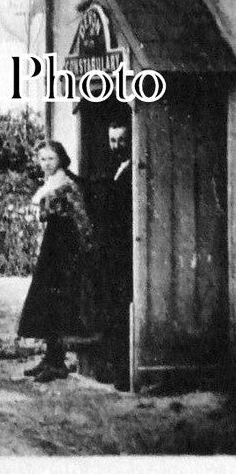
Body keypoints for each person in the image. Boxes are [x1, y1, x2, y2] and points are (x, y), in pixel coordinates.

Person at [17, 140, 97, 383]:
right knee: (46, 301)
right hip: (52, 246)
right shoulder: (50, 182)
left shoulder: (68, 184)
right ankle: (50, 359)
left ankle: (57, 363)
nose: (46, 163)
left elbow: (81, 219)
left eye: (51, 158)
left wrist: (86, 250)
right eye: (42, 159)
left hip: (65, 248)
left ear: (60, 158)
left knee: (59, 302)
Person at [99, 121, 133, 387]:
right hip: (113, 250)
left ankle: (125, 373)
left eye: (121, 140)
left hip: (128, 250)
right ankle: (114, 367)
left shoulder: (135, 169)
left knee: (124, 309)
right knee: (112, 308)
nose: (116, 146)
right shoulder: (115, 169)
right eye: (112, 141)